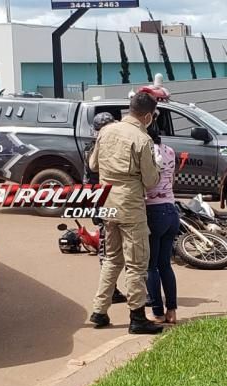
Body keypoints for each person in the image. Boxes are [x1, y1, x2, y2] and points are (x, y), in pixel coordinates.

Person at [88, 92, 162, 335]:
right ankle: (137, 317)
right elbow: (151, 181)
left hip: (107, 201)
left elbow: (93, 165)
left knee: (112, 258)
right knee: (136, 263)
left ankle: (99, 311)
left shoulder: (106, 131)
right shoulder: (142, 139)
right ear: (148, 116)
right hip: (130, 205)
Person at [83, 112, 127, 305]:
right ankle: (111, 291)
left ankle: (111, 290)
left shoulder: (93, 147)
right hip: (106, 201)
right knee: (108, 249)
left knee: (110, 248)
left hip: (103, 200)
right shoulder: (97, 148)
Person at [144, 123, 179, 324]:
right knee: (165, 264)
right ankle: (172, 311)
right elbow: (171, 179)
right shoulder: (169, 151)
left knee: (151, 267)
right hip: (171, 209)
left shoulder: (147, 153)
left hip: (153, 211)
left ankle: (157, 312)